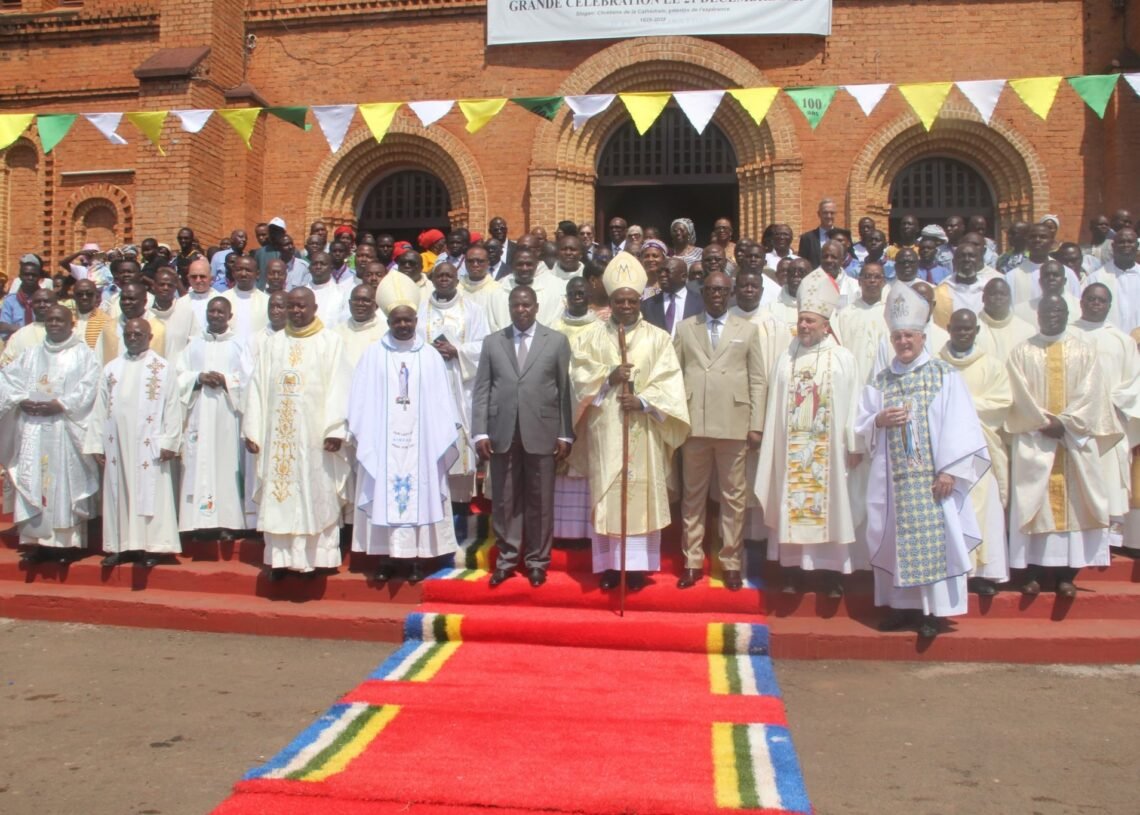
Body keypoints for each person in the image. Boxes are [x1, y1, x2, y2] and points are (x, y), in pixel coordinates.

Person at [855, 284, 991, 638]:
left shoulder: (943, 374)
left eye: (909, 336)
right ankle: (901, 608)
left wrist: (951, 471)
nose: (903, 342)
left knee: (933, 543)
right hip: (893, 484)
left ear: (922, 337)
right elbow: (861, 423)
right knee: (896, 541)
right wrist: (879, 420)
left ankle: (933, 613)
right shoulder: (881, 379)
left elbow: (961, 424)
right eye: (897, 336)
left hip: (932, 482)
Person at [569, 253, 689, 590]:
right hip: (606, 430)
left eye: (632, 300)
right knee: (609, 495)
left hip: (644, 430)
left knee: (640, 496)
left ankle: (636, 569)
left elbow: (670, 382)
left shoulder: (658, 338)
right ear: (610, 301)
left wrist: (643, 401)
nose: (625, 306)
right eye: (619, 300)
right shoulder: (591, 337)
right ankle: (611, 567)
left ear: (639, 301)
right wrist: (607, 377)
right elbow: (577, 377)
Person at [348, 272, 460, 584]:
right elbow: (360, 400)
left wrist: (438, 434)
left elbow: (441, 402)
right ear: (387, 321)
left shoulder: (429, 356)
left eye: (408, 320)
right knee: (383, 491)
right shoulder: (373, 355)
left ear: (415, 320)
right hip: (383, 442)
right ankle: (385, 557)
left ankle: (416, 559)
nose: (402, 325)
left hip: (421, 442)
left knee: (420, 492)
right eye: (397, 320)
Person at [756, 269, 862, 596]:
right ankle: (792, 573)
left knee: (831, 507)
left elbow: (854, 402)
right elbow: (774, 406)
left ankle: (831, 575)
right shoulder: (786, 359)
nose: (803, 325)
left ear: (825, 325)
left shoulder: (842, 359)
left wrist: (854, 443)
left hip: (829, 452)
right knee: (791, 503)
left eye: (810, 321)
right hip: (791, 448)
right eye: (801, 320)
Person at [1005, 295, 1119, 596]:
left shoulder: (1084, 351)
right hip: (1036, 440)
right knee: (1033, 504)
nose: (1052, 315)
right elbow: (1018, 395)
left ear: (1068, 314)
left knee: (1077, 505)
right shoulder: (1022, 352)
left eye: (1058, 310)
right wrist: (1044, 422)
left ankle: (1067, 575)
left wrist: (1065, 423)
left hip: (1073, 442)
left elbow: (1092, 395)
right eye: (1047, 310)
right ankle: (1033, 573)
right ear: (1038, 315)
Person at [243, 287, 352, 580]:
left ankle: (317, 560)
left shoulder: (330, 342)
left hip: (315, 438)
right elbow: (257, 387)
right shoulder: (273, 343)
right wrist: (252, 428)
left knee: (314, 495)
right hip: (278, 437)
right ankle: (280, 561)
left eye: (302, 306)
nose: (296, 311)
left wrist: (335, 429)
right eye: (291, 305)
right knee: (280, 495)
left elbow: (340, 386)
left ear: (314, 308)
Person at [471, 285, 573, 588]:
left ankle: (537, 562)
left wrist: (565, 434)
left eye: (527, 305)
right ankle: (507, 559)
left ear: (536, 307)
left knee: (540, 499)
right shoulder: (493, 342)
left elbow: (565, 390)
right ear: (509, 307)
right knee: (505, 498)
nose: (521, 310)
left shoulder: (556, 341)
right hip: (502, 431)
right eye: (516, 305)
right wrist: (480, 431)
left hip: (542, 430)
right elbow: (482, 389)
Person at [673, 272, 765, 591]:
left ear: (730, 294)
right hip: (694, 422)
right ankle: (692, 561)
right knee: (693, 496)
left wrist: (756, 424)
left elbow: (757, 380)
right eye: (711, 289)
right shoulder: (685, 328)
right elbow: (673, 375)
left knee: (733, 497)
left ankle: (731, 562)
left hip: (733, 423)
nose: (716, 295)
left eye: (722, 290)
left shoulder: (748, 330)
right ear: (703, 292)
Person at [0, 305, 100, 562]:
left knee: (63, 483)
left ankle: (65, 545)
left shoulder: (83, 355)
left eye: (60, 320)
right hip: (33, 428)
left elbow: (90, 387)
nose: (54, 324)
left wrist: (62, 404)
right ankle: (36, 542)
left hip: (64, 429)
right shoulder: (31, 354)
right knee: (33, 480)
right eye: (50, 320)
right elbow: (7, 381)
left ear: (71, 324)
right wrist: (20, 399)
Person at [84, 318, 183, 567]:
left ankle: (154, 548)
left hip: (150, 444)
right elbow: (100, 408)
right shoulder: (111, 368)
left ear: (149, 337)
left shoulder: (162, 368)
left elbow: (173, 405)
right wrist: (96, 443)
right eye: (128, 334)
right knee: (119, 492)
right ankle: (121, 545)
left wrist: (170, 441)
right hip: (117, 443)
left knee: (151, 493)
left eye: (138, 334)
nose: (133, 338)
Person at [938, 309, 1012, 594]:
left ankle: (981, 574)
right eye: (958, 328)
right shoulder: (935, 365)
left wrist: (961, 406)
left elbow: (1001, 404)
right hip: (944, 451)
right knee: (950, 509)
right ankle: (952, 570)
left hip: (981, 450)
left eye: (968, 329)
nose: (963, 333)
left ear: (977, 331)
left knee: (983, 510)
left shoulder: (992, 366)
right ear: (948, 328)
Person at [175, 297, 252, 537]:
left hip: (227, 414)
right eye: (212, 311)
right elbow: (178, 374)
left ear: (230, 316)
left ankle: (227, 523)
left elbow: (249, 378)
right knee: (198, 463)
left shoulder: (240, 345)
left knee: (225, 465)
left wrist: (225, 380)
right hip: (198, 413)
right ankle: (196, 523)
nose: (216, 315)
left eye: (221, 312)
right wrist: (198, 378)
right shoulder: (194, 344)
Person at [1070, 284, 1140, 546]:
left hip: (1111, 421)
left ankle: (1108, 538)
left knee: (1109, 476)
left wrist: (1111, 404)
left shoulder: (1122, 341)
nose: (1095, 304)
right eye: (1090, 299)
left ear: (1109, 305)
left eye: (1101, 300)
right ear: (1081, 302)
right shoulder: (1067, 334)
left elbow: (1134, 382)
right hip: (1075, 423)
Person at [421, 262, 488, 510]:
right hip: (429, 388)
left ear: (457, 280)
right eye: (440, 275)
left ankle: (460, 510)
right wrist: (430, 352)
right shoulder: (420, 310)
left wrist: (457, 350)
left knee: (460, 450)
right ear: (433, 280)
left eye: (449, 275)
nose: (444, 279)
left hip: (461, 386)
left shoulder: (472, 310)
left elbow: (484, 345)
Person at [1082, 227, 1140, 333]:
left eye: (1130, 242)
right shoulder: (1096, 279)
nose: (1126, 245)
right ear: (1113, 246)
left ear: (1137, 246)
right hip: (1106, 339)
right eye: (1121, 242)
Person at [93, 282, 166, 364]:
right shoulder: (109, 328)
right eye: (123, 299)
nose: (126, 302)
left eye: (131, 299)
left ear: (144, 301)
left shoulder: (159, 329)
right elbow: (98, 359)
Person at [1008, 223, 1080, 305]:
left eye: (1043, 237)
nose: (1037, 240)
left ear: (1052, 242)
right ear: (1026, 242)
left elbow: (1076, 306)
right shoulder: (1012, 277)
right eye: (1032, 237)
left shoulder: (1068, 274)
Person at [496, 248, 566, 327]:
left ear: (536, 266)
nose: (524, 268)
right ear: (512, 265)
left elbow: (554, 323)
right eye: (520, 264)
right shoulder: (498, 292)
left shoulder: (550, 294)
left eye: (529, 264)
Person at [932, 240, 993, 328]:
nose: (967, 259)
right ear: (954, 262)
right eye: (962, 256)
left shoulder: (989, 289)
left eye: (971, 256)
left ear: (979, 261)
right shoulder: (940, 292)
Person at [976, 278, 1036, 364]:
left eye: (1003, 294)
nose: (998, 298)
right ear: (983, 298)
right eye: (993, 294)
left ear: (1010, 298)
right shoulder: (972, 329)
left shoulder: (1027, 330)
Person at [642, 257, 702, 338]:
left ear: (683, 276)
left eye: (667, 271)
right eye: (659, 272)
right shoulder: (647, 305)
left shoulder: (701, 303)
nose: (662, 275)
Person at [150, 268, 200, 359]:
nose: (165, 288)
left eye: (170, 285)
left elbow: (195, 342)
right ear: (153, 286)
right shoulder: (146, 311)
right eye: (162, 284)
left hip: (177, 365)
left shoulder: (186, 312)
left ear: (175, 287)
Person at [1012, 259, 1080, 325]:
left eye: (1056, 275)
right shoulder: (1022, 311)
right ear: (1040, 281)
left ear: (1064, 281)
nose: (1051, 278)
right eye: (1046, 275)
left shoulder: (1079, 308)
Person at [0, 288, 55, 367]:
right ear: (32, 305)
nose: (42, 305)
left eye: (46, 301)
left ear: (56, 304)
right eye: (37, 302)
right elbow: (5, 366)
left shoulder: (68, 332)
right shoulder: (19, 336)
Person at [221, 256, 269, 343]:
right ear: (233, 272)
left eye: (248, 270)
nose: (243, 274)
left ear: (257, 274)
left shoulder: (266, 301)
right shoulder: (223, 299)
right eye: (239, 270)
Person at [0, 256, 45, 340]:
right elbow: (3, 329)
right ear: (20, 276)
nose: (30, 278)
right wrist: (32, 331)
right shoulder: (10, 301)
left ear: (39, 277)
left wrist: (14, 328)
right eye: (26, 275)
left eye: (34, 275)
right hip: (16, 343)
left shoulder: (46, 299)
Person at [797, 198, 837, 269]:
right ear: (819, 214)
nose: (829, 216)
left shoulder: (843, 236)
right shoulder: (807, 238)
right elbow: (802, 263)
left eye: (832, 213)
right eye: (825, 213)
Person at [73, 279, 111, 349]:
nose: (84, 297)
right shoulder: (67, 319)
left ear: (96, 296)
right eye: (80, 294)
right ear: (74, 296)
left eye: (89, 294)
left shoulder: (106, 321)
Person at [183, 258, 216, 327]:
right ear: (188, 278)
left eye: (202, 276)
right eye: (194, 277)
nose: (198, 280)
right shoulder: (181, 302)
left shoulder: (220, 300)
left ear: (211, 278)